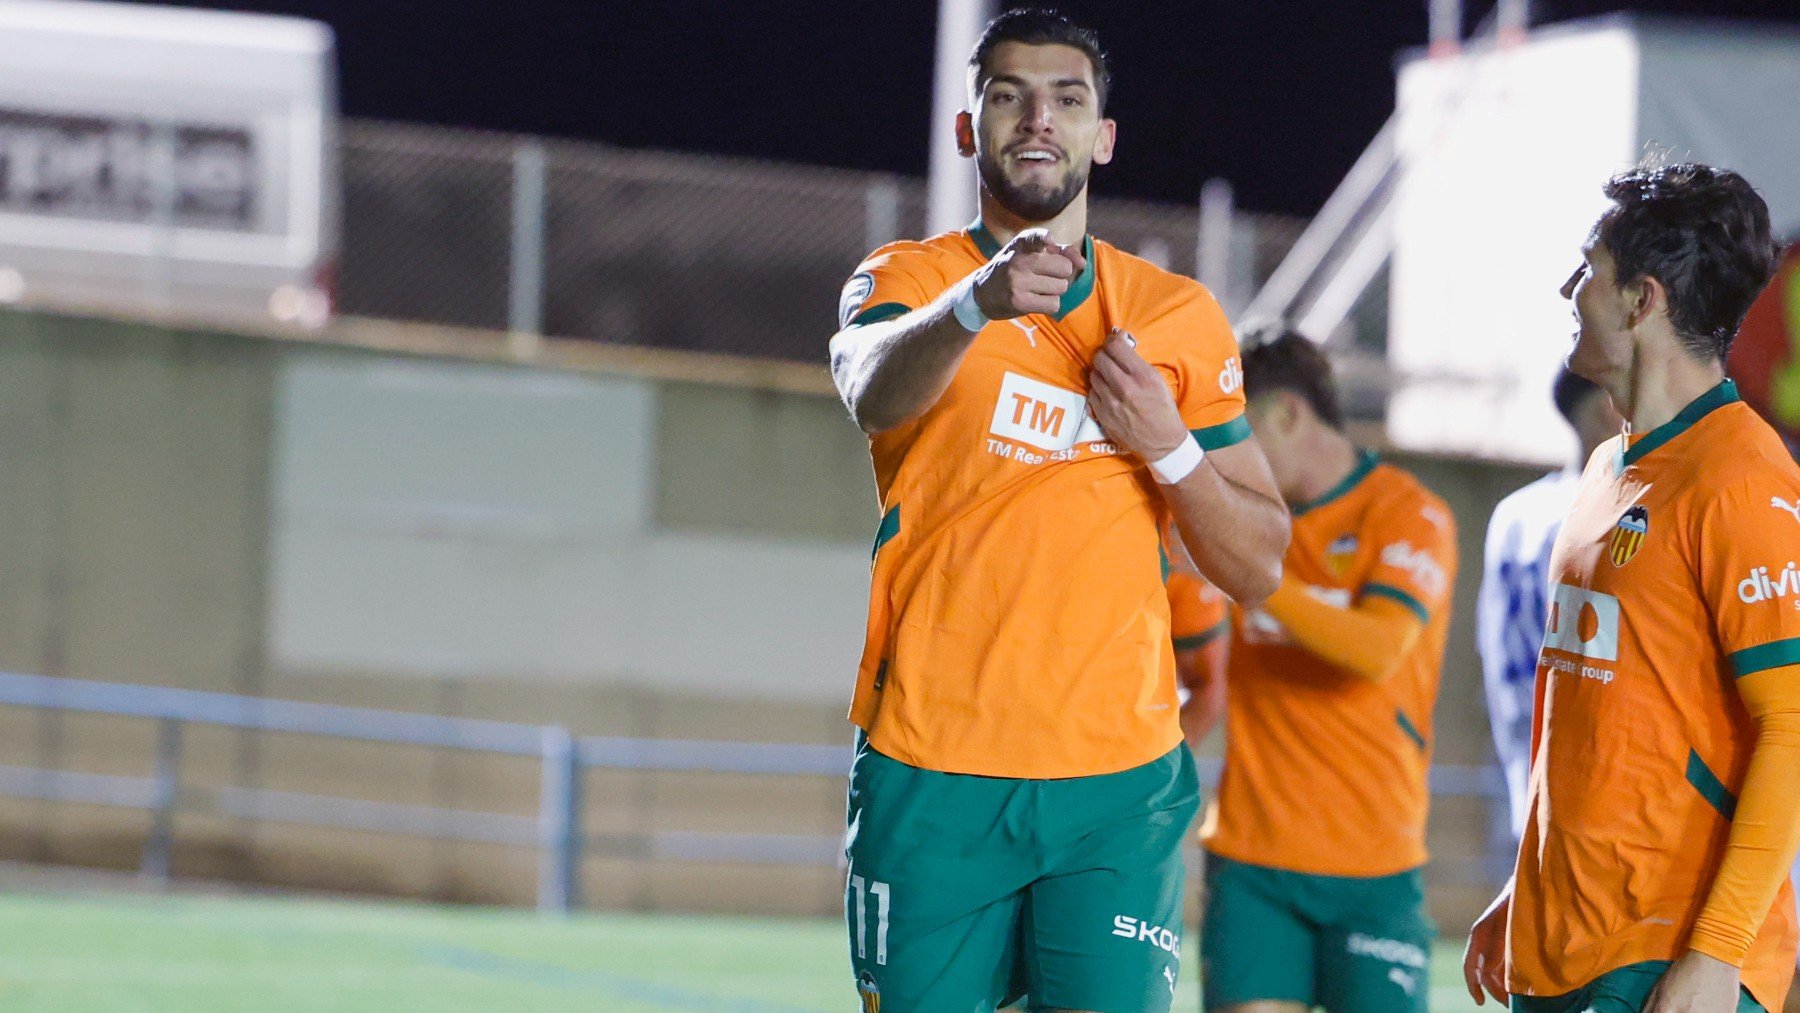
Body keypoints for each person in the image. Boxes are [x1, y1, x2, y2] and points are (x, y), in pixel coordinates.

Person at [826, 10, 1289, 1012]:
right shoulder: (912, 280)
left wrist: (1167, 444)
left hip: (1116, 788)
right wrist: (973, 306)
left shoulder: (1174, 317)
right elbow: (867, 385)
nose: (1039, 119)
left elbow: (1258, 562)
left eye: (1068, 99)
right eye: (1009, 95)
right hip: (932, 771)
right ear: (968, 128)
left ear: (1102, 136)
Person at [1462, 161, 1799, 1013]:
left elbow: (1791, 728)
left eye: (1588, 271)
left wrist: (1717, 953)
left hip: (1666, 951)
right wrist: (1528, 883)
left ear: (1642, 300)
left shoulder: (1743, 477)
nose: (1569, 289)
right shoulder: (1611, 465)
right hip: (1569, 939)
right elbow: (1596, 720)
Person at [1189, 332, 1458, 1013]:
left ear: (1285, 414)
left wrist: (1250, 575)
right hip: (1252, 858)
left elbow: (1377, 648)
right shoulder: (1243, 521)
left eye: (1232, 431)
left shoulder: (1408, 512)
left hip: (1375, 863)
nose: (1224, 455)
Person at [1476, 367, 1620, 840]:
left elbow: (1495, 650)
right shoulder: (1613, 513)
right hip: (1602, 786)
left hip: (1529, 761)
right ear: (1607, 406)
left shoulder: (1514, 515)